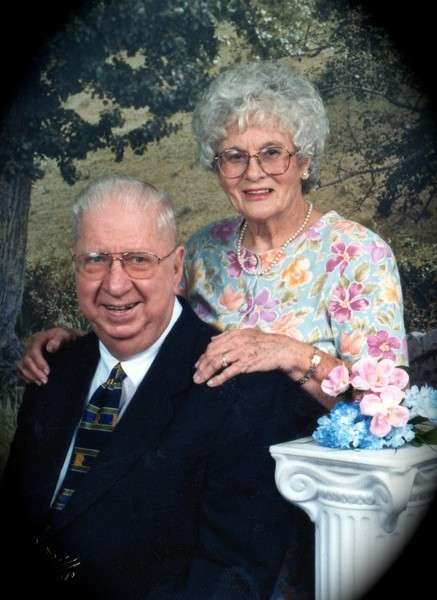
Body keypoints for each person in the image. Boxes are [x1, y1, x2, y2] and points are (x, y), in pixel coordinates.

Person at [1, 175, 322, 599]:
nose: (115, 284)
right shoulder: (52, 369)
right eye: (95, 260)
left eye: (139, 260)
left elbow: (231, 580)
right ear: (76, 266)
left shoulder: (243, 393)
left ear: (175, 268)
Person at [17, 61, 408, 406]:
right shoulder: (202, 249)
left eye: (272, 152)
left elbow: (386, 405)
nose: (253, 172)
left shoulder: (359, 254)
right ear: (217, 167)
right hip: (207, 458)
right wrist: (74, 348)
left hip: (309, 461)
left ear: (304, 161)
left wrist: (291, 354)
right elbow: (146, 338)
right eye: (234, 157)